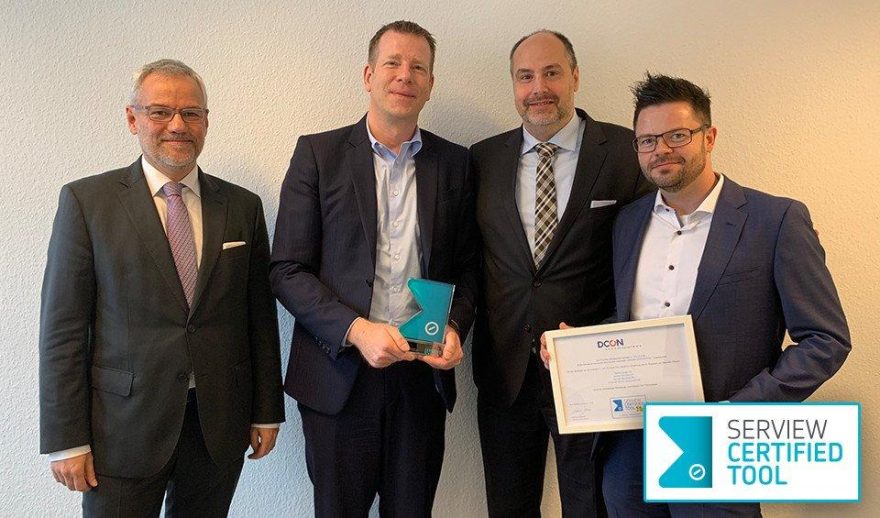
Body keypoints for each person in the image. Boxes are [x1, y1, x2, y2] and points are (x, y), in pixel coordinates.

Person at [545, 73, 851, 517]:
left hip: (717, 440)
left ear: (709, 137)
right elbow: (632, 321)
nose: (660, 150)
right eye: (647, 141)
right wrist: (577, 349)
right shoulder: (627, 222)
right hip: (631, 442)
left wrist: (736, 413)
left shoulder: (776, 220)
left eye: (677, 135)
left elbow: (826, 341)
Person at [39, 59, 285, 517]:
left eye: (191, 113)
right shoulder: (87, 203)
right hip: (120, 430)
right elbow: (63, 331)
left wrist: (267, 410)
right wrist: (66, 439)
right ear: (133, 119)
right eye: (160, 112)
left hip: (218, 426)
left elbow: (259, 319)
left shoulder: (242, 206)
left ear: (206, 121)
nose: (177, 125)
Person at [270, 20, 478, 517]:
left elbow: (469, 269)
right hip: (338, 376)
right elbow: (287, 269)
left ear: (430, 84)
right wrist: (357, 330)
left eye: (418, 67)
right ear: (368, 75)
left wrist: (454, 326)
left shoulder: (455, 163)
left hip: (421, 377)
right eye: (393, 63)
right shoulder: (318, 154)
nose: (405, 75)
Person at [470, 30, 652, 517]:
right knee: (508, 508)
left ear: (575, 77)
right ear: (513, 85)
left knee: (591, 506)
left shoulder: (625, 151)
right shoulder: (483, 159)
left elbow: (652, 254)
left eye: (551, 73)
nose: (538, 88)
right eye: (525, 76)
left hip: (594, 370)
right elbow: (469, 260)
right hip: (506, 370)